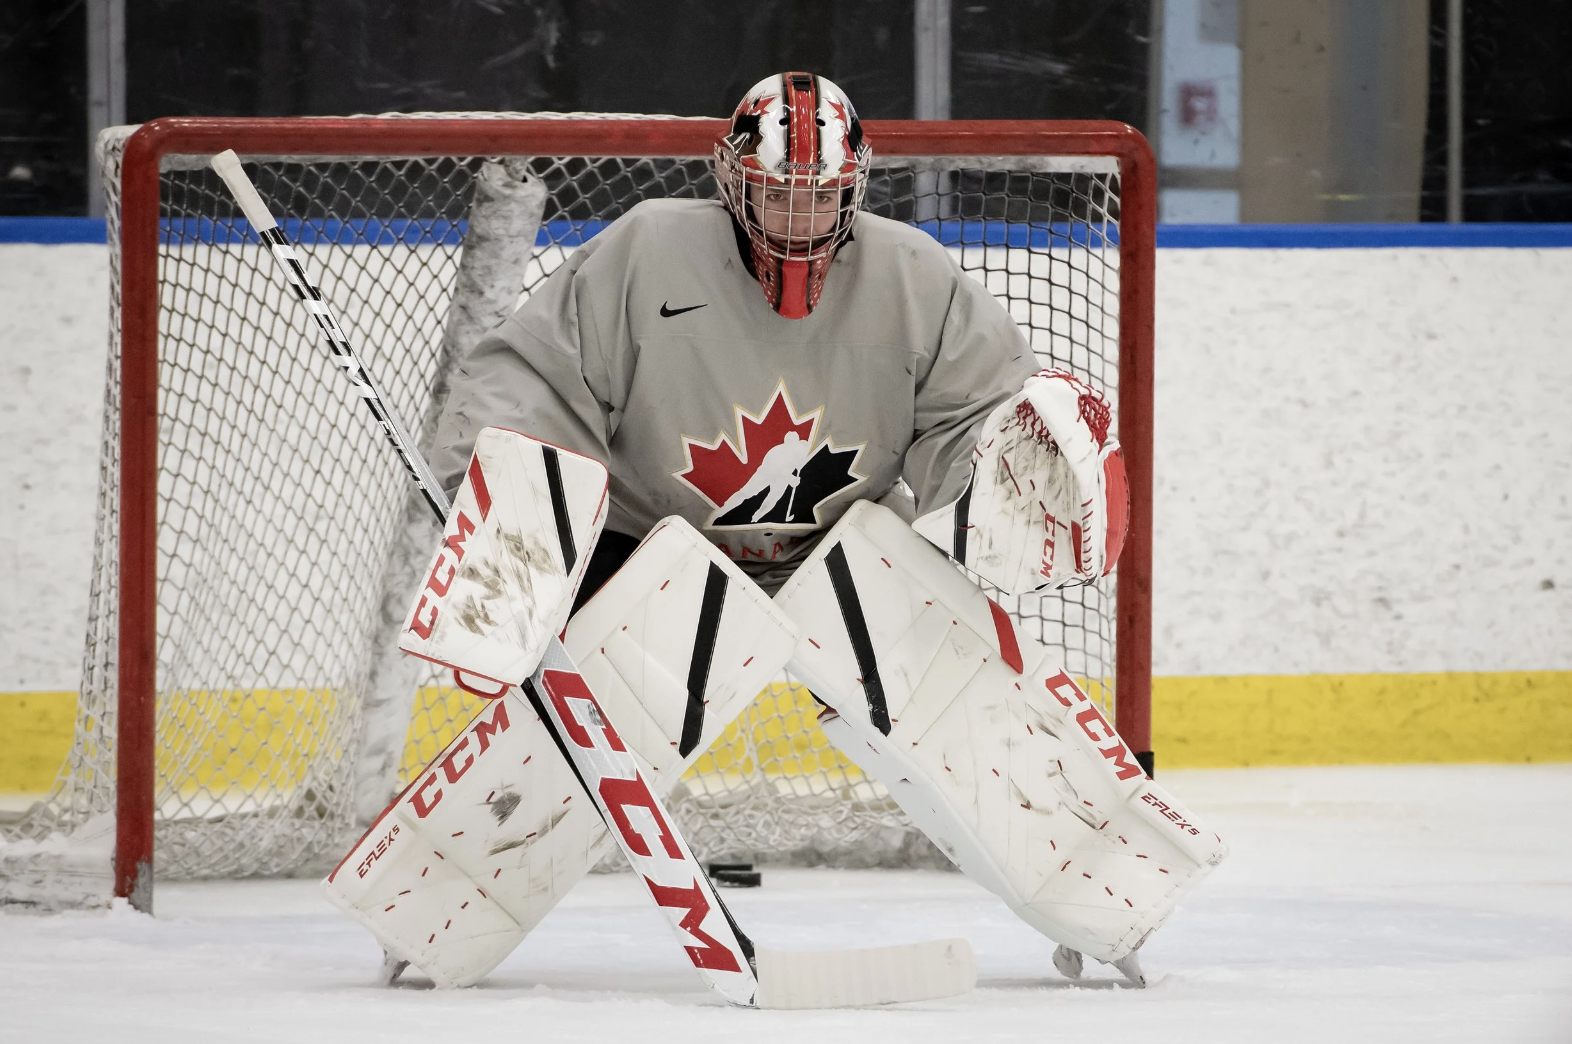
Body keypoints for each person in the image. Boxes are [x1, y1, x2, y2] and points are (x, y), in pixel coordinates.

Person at [428, 70, 1038, 598]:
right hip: (646, 547)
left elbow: (977, 412)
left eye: (821, 195)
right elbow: (539, 379)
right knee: (603, 711)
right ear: (732, 178)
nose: (799, 220)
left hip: (843, 552)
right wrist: (513, 502)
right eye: (776, 193)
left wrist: (1011, 495)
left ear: (855, 186)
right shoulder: (648, 250)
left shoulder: (913, 273)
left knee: (948, 683)